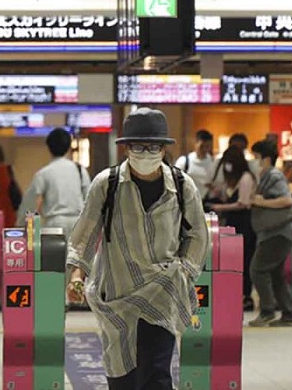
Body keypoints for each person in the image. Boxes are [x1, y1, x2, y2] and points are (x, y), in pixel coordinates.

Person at [67, 108, 209, 389]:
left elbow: (198, 235)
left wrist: (183, 271)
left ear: (164, 149)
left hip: (162, 292)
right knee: (122, 377)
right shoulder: (106, 185)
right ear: (126, 149)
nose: (146, 153)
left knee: (157, 374)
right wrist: (76, 276)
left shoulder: (182, 186)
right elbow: (84, 233)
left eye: (153, 146)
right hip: (117, 295)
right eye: (138, 146)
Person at [248, 140, 292, 327]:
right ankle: (289, 314)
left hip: (278, 233)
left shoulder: (274, 175)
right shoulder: (265, 176)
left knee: (257, 269)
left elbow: (286, 200)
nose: (254, 161)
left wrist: (261, 202)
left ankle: (267, 311)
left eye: (256, 157)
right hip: (273, 234)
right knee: (276, 275)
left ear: (266, 159)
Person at [208, 146, 257, 312]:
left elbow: (243, 203)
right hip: (232, 224)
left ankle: (246, 295)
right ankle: (234, 294)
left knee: (245, 260)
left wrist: (220, 207)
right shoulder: (231, 181)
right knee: (232, 260)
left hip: (244, 223)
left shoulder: (246, 178)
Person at [21, 128, 90, 241]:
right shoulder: (80, 170)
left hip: (54, 225)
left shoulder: (44, 173)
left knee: (55, 258)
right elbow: (89, 197)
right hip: (77, 223)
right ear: (69, 147)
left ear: (49, 148)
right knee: (76, 258)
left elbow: (30, 202)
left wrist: (21, 223)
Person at [175, 129, 215, 198]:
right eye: (201, 146)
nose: (205, 150)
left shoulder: (213, 162)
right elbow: (175, 180)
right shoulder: (184, 161)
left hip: (205, 199)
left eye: (207, 147)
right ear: (195, 143)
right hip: (187, 199)